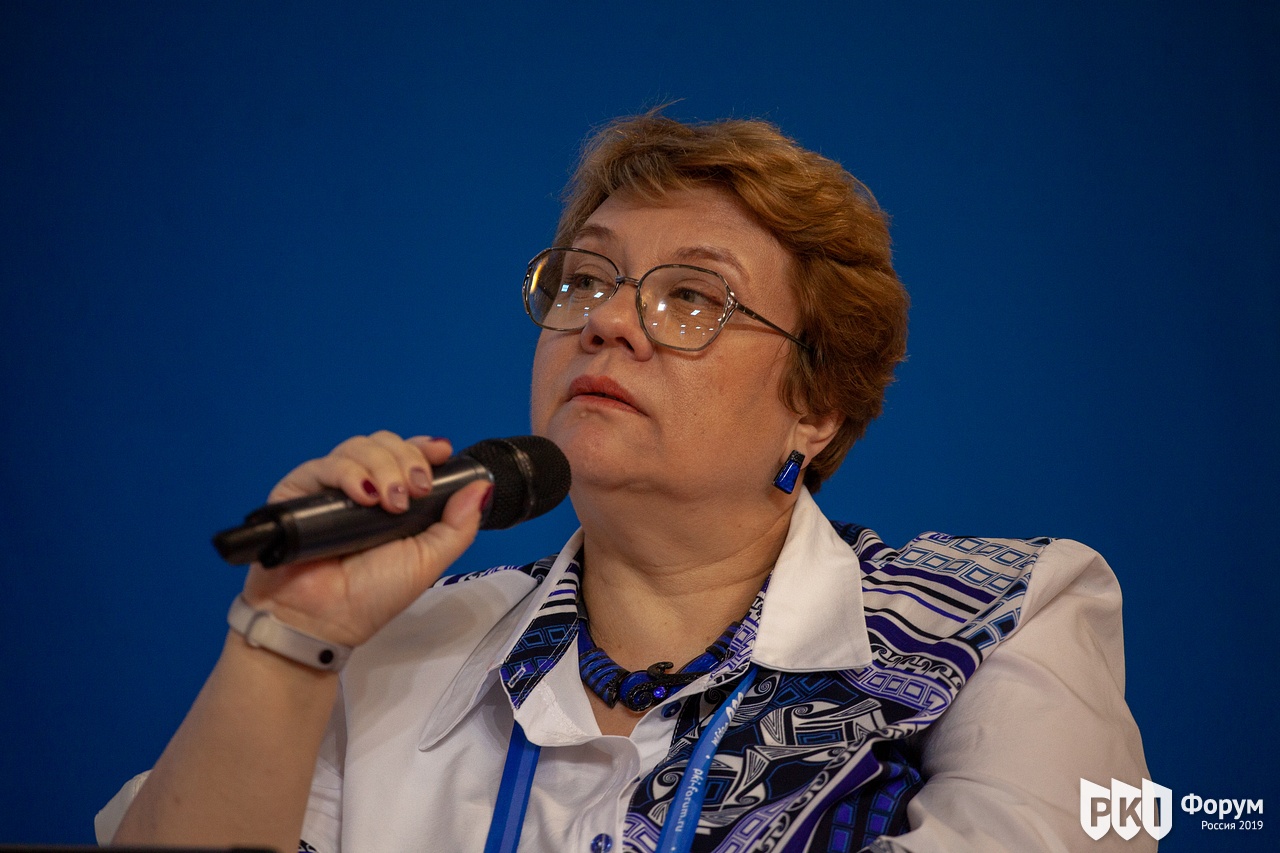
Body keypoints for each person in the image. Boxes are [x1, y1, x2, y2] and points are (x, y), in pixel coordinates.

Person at [97, 113, 1150, 852]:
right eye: (586, 278)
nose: (605, 319)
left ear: (816, 403)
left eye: (692, 297)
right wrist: (290, 635)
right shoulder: (397, 646)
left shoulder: (1001, 616)